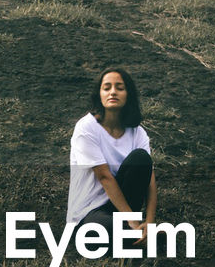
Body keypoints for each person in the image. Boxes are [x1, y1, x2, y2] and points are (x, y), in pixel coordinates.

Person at [66, 67, 157, 246]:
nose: (113, 92)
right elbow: (104, 176)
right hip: (90, 211)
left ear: (128, 94)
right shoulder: (86, 128)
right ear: (99, 94)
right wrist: (132, 222)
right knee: (100, 231)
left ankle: (139, 235)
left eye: (120, 88)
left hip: (124, 207)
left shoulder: (137, 133)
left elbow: (150, 179)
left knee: (141, 159)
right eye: (107, 88)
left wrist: (150, 220)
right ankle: (133, 236)